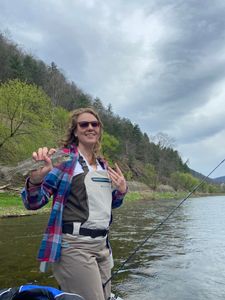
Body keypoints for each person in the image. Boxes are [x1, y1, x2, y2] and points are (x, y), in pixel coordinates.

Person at [21, 107, 127, 300]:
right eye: (83, 124)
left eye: (94, 124)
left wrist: (120, 191)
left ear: (99, 129)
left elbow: (110, 205)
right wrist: (36, 180)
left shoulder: (103, 165)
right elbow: (33, 202)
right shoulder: (62, 160)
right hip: (74, 247)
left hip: (103, 246)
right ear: (75, 131)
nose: (90, 127)